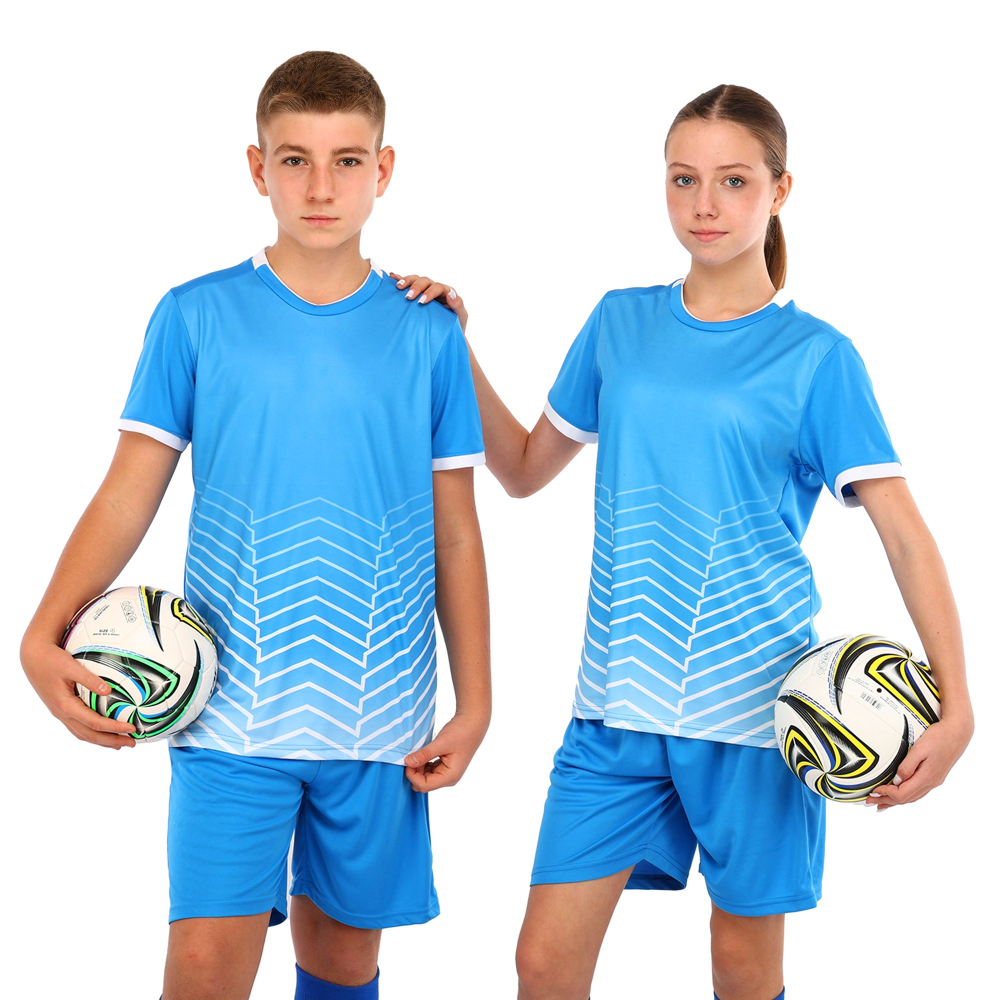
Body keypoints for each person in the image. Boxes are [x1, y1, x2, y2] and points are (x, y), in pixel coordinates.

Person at [392, 84, 973, 1000]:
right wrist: (455, 343)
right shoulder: (619, 322)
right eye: (683, 179)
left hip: (758, 719)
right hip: (614, 711)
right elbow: (523, 469)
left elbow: (904, 533)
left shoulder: (817, 358)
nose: (705, 204)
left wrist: (959, 706)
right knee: (542, 963)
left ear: (780, 191)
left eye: (734, 181)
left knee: (742, 968)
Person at [20, 50, 491, 1000]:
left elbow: (456, 530)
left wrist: (476, 700)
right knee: (203, 964)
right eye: (294, 160)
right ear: (256, 166)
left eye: (346, 161)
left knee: (344, 960)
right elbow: (128, 492)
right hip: (227, 707)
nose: (320, 187)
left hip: (378, 717)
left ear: (383, 170)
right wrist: (42, 633)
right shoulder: (195, 316)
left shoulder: (429, 332)